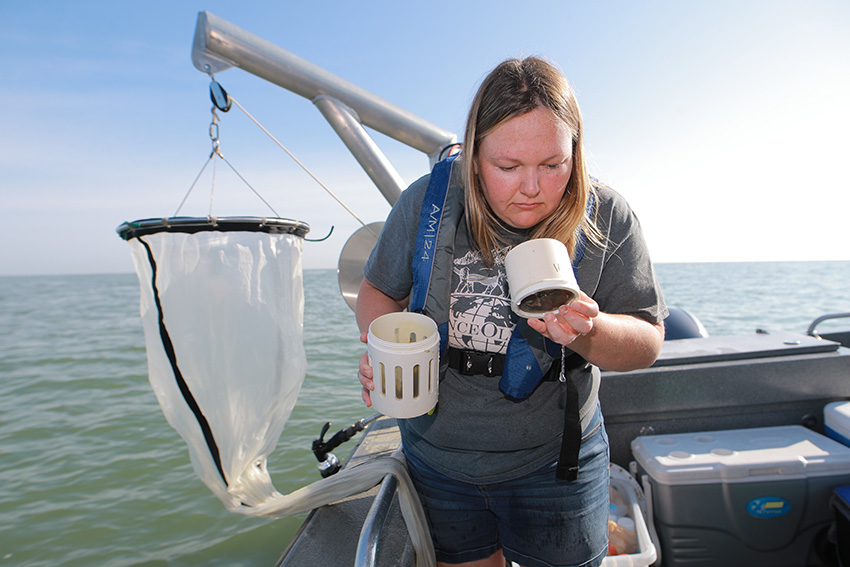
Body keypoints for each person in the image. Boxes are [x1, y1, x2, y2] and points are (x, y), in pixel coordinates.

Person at [356, 56, 667, 567]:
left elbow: (647, 341)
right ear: (475, 156)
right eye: (507, 167)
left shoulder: (609, 215)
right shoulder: (427, 203)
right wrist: (380, 344)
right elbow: (377, 289)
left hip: (556, 467)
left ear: (576, 151)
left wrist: (590, 331)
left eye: (553, 164)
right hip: (438, 464)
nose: (531, 187)